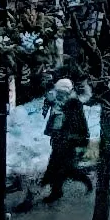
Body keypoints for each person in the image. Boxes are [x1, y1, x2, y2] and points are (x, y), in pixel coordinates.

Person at [39, 80, 92, 208]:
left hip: (68, 141)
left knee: (57, 166)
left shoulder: (73, 104)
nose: (58, 94)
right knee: (60, 166)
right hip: (59, 139)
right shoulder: (59, 102)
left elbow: (79, 125)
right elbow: (55, 117)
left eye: (60, 92)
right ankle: (54, 188)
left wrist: (76, 139)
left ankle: (53, 189)